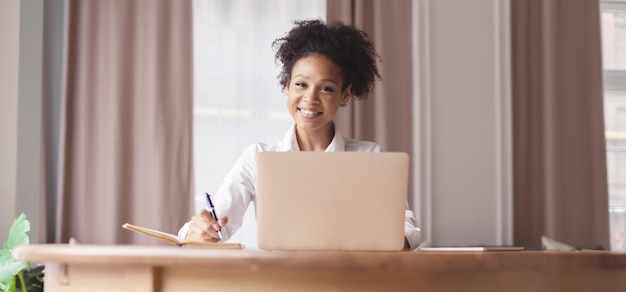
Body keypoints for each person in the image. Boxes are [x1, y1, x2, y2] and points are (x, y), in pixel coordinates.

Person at [178, 19, 422, 250]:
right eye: (301, 84)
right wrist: (200, 231)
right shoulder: (258, 157)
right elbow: (214, 224)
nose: (310, 98)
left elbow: (406, 227)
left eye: (326, 88)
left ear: (345, 95)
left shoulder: (369, 156)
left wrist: (397, 238)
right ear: (286, 86)